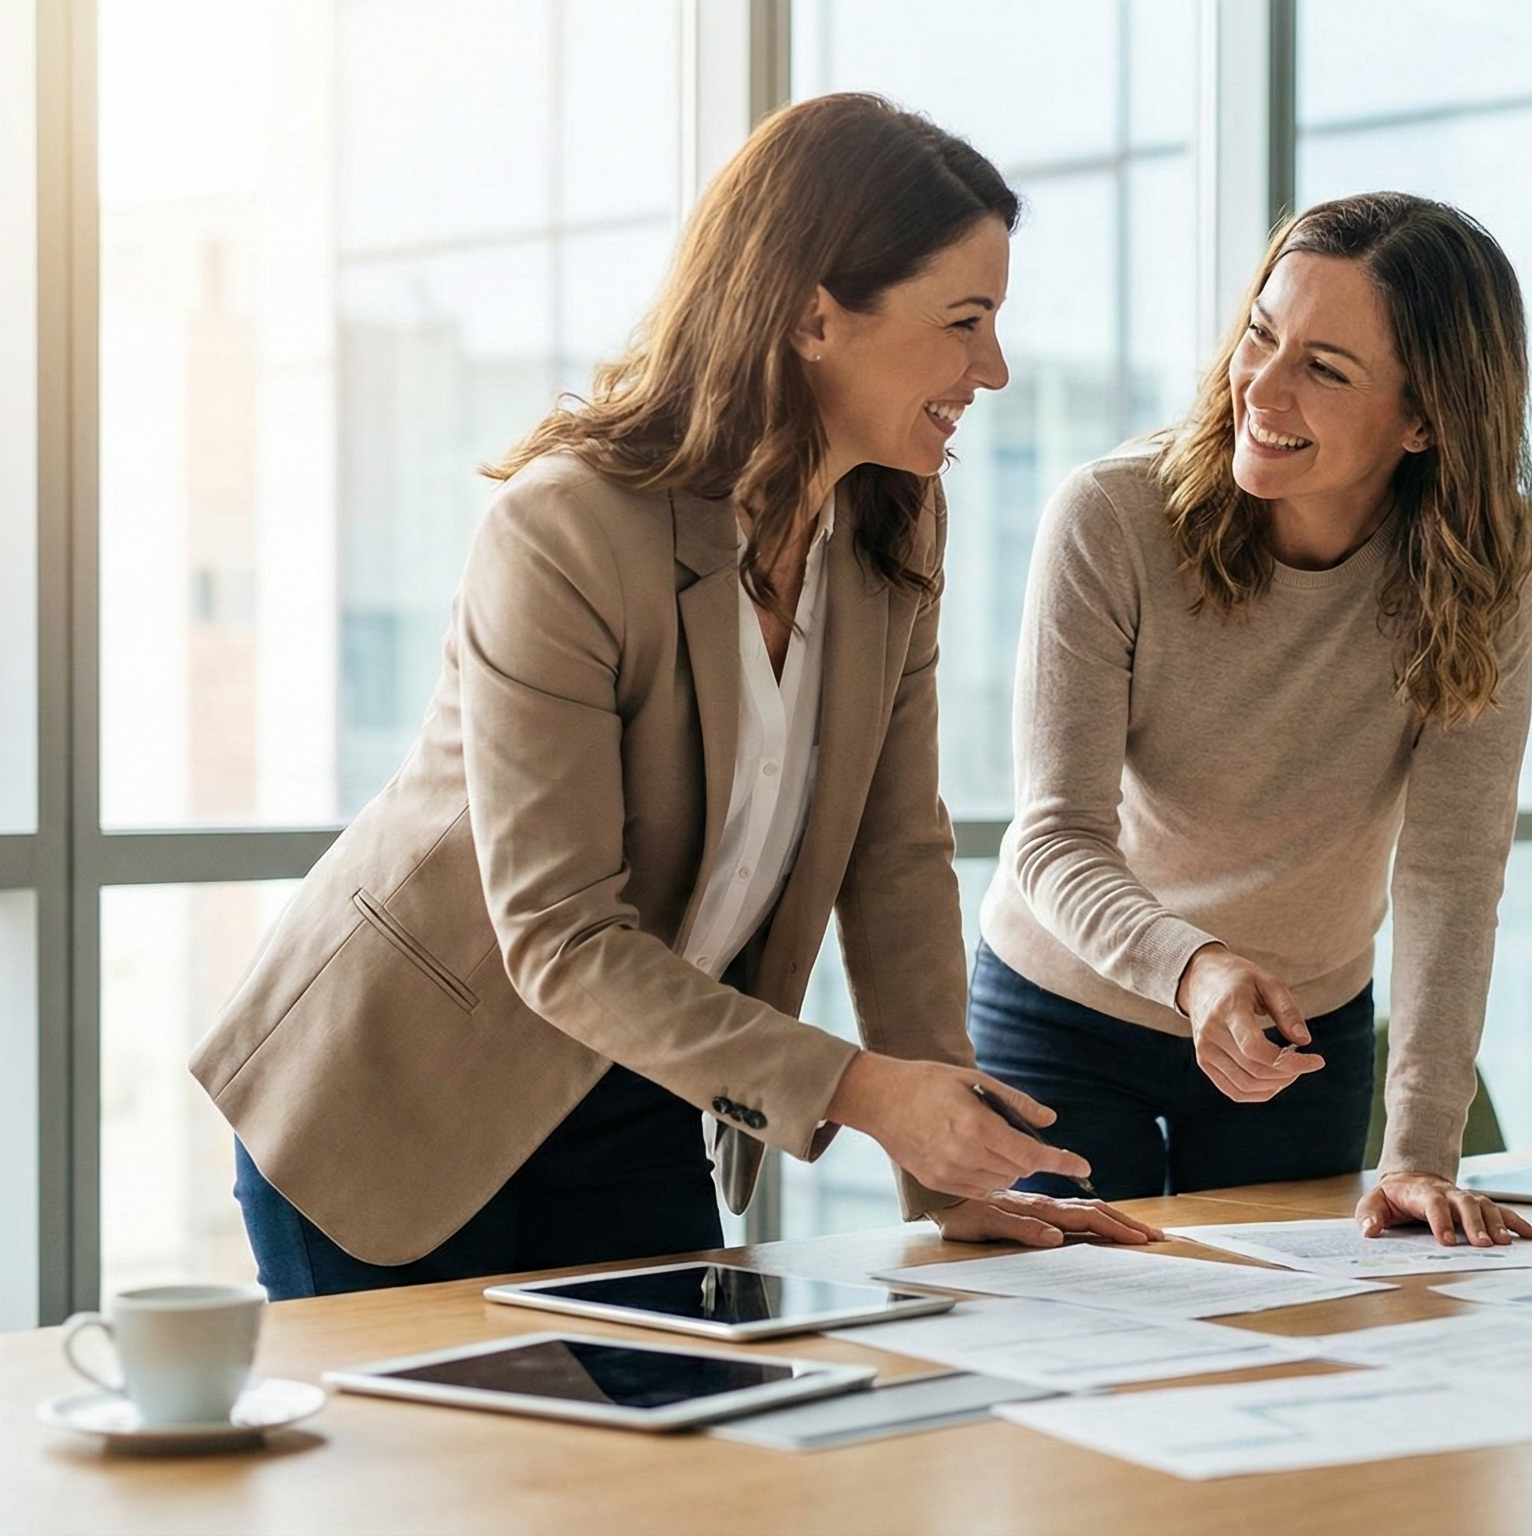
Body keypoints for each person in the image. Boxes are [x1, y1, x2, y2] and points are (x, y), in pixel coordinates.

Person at [192, 94, 1157, 1300]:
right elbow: (557, 931)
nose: (993, 369)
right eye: (964, 321)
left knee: (679, 1461)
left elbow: (896, 859)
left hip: (637, 1081)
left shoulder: (891, 525)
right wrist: (865, 1096)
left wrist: (955, 1176)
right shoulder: (566, 526)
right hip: (396, 1099)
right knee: (446, 1486)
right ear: (813, 316)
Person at [972, 192, 1532, 1247]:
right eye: (1260, 336)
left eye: (1325, 369)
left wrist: (1419, 1150)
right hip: (1069, 1004)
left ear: (1424, 420)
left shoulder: (1487, 561)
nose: (1260, 390)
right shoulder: (1111, 516)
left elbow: (1452, 867)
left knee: (1287, 1343)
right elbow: (1054, 835)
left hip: (1299, 1031)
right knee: (1076, 1341)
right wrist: (1194, 967)